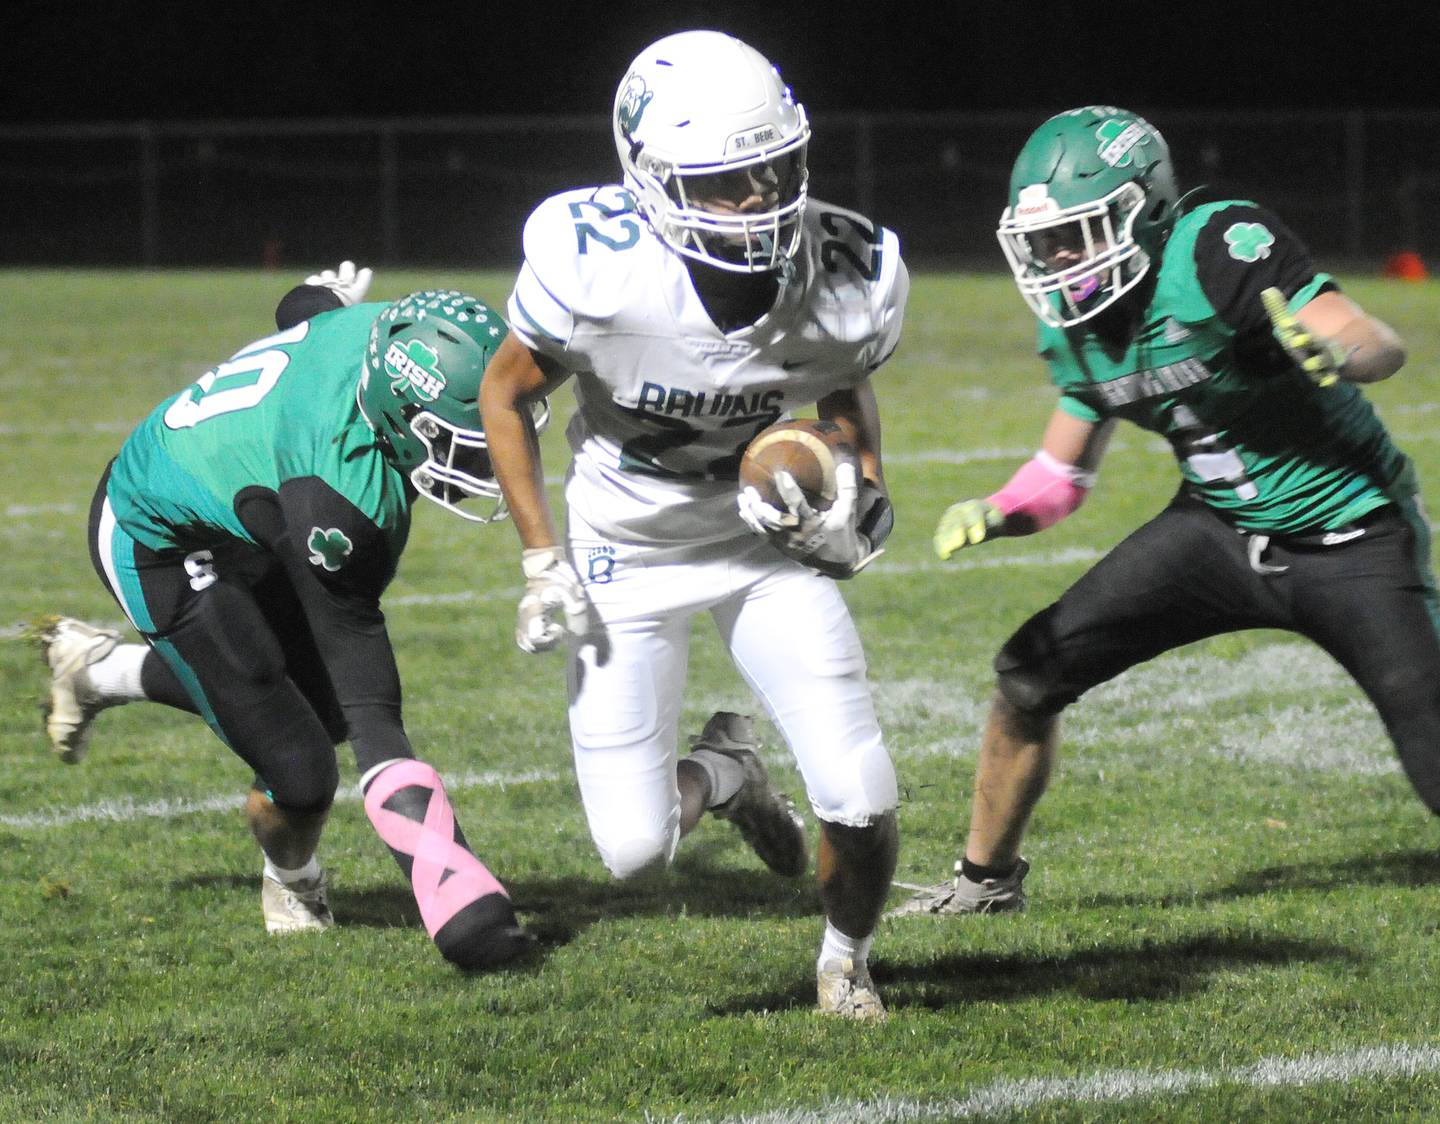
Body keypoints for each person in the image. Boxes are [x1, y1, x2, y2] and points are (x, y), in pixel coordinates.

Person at [891, 105, 1424, 917]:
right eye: (1047, 241)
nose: (1060, 258)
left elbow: (1368, 335)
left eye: (1083, 231)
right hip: (1214, 532)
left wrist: (1341, 352)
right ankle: (985, 883)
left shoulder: (1214, 249)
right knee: (1029, 674)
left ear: (1147, 209)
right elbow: (1062, 473)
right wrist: (1001, 509)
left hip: (1345, 530)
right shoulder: (1075, 327)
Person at [479, 30, 908, 1018]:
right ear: (648, 179)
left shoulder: (845, 270)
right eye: (726, 182)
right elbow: (505, 397)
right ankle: (727, 770)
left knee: (860, 786)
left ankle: (848, 957)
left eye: (771, 168)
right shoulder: (595, 266)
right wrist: (543, 561)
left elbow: (839, 387)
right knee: (634, 850)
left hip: (763, 547)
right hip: (624, 545)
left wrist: (859, 489)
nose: (758, 199)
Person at [35, 263, 537, 969]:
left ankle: (99, 671)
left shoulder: (374, 334)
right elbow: (376, 717)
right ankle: (293, 882)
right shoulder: (336, 501)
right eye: (465, 434)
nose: (488, 454)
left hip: (243, 508)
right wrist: (450, 884)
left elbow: (303, 307)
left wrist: (324, 298)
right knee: (303, 769)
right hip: (155, 533)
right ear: (404, 413)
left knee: (309, 708)